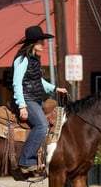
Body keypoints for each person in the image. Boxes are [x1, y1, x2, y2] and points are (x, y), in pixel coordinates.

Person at [12, 25, 68, 174]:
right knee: (42, 125)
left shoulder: (34, 59)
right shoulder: (22, 59)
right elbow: (17, 83)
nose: (43, 44)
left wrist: (55, 88)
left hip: (35, 100)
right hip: (27, 100)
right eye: (41, 41)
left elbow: (38, 80)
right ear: (34, 43)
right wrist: (22, 106)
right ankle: (26, 160)